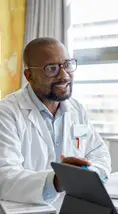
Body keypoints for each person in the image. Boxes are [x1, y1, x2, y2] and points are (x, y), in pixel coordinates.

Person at [0, 37, 111, 205]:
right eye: (51, 68)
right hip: (24, 213)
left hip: (73, 205)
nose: (64, 75)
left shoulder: (76, 109)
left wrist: (84, 175)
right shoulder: (6, 113)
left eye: (67, 65)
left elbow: (99, 154)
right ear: (30, 76)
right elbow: (5, 176)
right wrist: (57, 181)